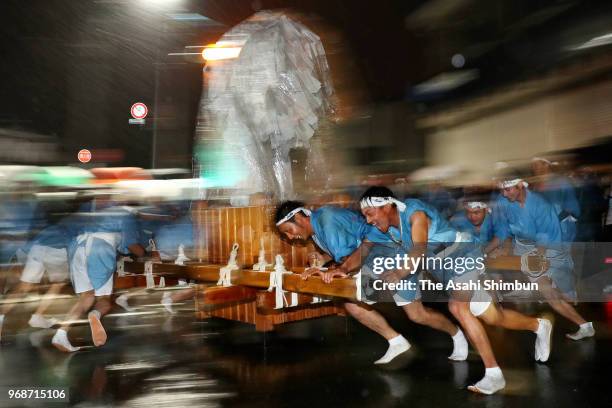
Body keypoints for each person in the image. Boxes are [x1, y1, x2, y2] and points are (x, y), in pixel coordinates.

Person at [359, 186, 553, 395]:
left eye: (370, 214)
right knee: (493, 317)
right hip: (445, 269)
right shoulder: (389, 230)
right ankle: (538, 325)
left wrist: (399, 273)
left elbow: (419, 248)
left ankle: (494, 375)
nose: (369, 220)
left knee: (458, 308)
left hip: (463, 255)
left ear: (387, 205)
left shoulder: (414, 212)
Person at [275, 201, 469, 365]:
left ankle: (456, 333)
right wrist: (324, 262)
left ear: (300, 218)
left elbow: (347, 257)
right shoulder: (319, 226)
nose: (291, 237)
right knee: (352, 302)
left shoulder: (325, 220)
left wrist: (334, 270)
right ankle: (396, 342)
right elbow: (343, 251)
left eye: (289, 231)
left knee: (417, 315)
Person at [495, 174, 594, 340]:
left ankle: (576, 308)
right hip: (526, 249)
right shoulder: (504, 202)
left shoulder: (540, 205)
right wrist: (504, 249)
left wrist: (537, 259)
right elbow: (505, 229)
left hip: (550, 249)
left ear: (520, 185)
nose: (504, 194)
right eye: (502, 190)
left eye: (508, 189)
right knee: (550, 294)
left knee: (557, 292)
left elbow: (544, 238)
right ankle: (585, 326)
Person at [51, 198, 144, 352]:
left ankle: (60, 334)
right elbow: (131, 244)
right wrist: (146, 256)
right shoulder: (127, 214)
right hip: (100, 248)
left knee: (86, 297)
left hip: (77, 248)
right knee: (104, 299)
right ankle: (95, 314)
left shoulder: (97, 212)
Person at [0, 224, 72, 341]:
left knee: (24, 286)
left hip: (38, 247)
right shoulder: (77, 216)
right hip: (58, 249)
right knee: (58, 284)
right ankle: (37, 316)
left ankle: (1, 317)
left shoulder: (49, 216)